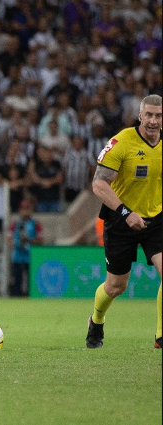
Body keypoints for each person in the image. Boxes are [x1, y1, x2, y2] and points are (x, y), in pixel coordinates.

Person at [86, 94, 162, 349]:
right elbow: (98, 183)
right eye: (149, 115)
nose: (153, 120)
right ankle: (96, 320)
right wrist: (126, 213)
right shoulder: (122, 142)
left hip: (156, 219)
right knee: (116, 286)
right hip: (121, 220)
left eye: (158, 115)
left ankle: (161, 337)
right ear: (140, 116)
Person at [7, 199, 43, 296]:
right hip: (17, 256)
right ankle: (16, 297)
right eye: (23, 209)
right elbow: (9, 239)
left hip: (30, 256)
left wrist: (29, 240)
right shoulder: (15, 224)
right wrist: (16, 243)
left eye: (27, 208)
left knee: (30, 281)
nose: (25, 211)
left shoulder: (36, 224)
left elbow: (40, 240)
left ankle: (30, 297)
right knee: (17, 280)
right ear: (20, 210)